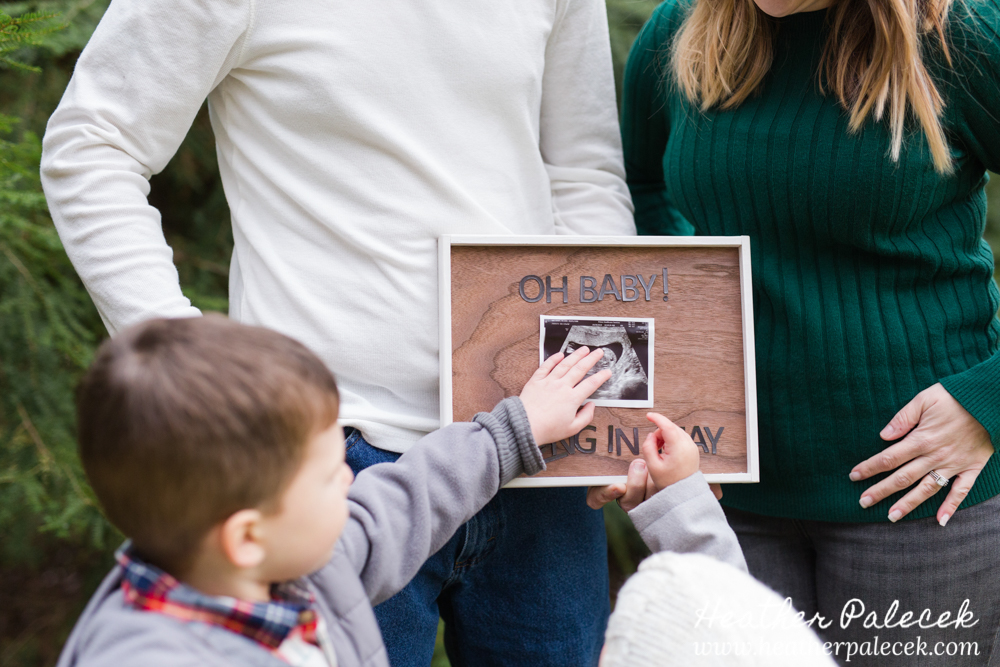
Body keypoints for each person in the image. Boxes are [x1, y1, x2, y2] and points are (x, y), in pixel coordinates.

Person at [39, 0, 635, 664]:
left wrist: (607, 407)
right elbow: (95, 144)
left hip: (544, 447)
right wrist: (205, 389)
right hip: (328, 470)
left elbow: (582, 174)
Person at [617, 0, 1000, 662]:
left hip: (919, 500)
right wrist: (693, 338)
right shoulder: (680, 30)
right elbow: (636, 187)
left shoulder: (958, 35)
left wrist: (990, 399)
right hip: (723, 495)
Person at [55, 315, 729, 667]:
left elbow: (405, 499)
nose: (352, 475)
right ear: (246, 535)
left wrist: (510, 433)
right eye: (328, 474)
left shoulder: (294, 573)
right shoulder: (145, 653)